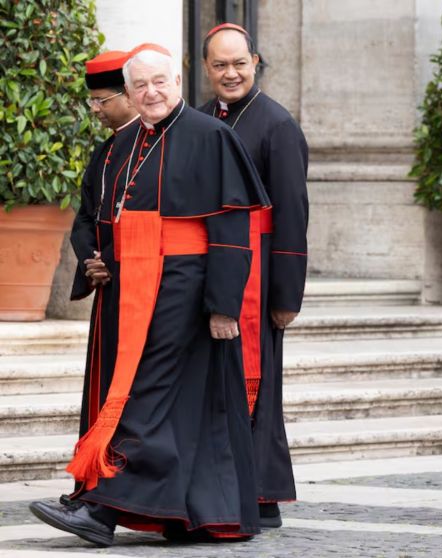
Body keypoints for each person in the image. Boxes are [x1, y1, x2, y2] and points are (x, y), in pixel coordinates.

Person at [28, 43, 269, 546]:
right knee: (170, 403)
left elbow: (230, 229)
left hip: (185, 286)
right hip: (133, 287)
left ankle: (102, 510)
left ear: (178, 83)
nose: (151, 93)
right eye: (140, 86)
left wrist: (225, 305)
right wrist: (100, 260)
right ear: (130, 94)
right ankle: (185, 513)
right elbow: (107, 217)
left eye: (159, 82)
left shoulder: (211, 136)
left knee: (147, 397)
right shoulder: (124, 142)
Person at [198, 22, 310, 529]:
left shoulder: (277, 124)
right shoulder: (199, 120)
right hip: (211, 271)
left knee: (258, 389)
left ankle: (260, 494)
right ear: (205, 69)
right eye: (220, 65)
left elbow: (292, 214)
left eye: (239, 63)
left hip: (259, 277)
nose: (230, 73)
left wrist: (286, 295)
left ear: (256, 61)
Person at [65, 51, 139, 505]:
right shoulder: (106, 149)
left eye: (102, 100)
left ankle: (114, 489)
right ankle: (89, 484)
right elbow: (86, 217)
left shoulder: (152, 144)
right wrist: (92, 259)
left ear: (129, 95)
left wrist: (111, 259)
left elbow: (149, 219)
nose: (95, 110)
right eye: (90, 102)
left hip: (139, 288)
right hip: (107, 288)